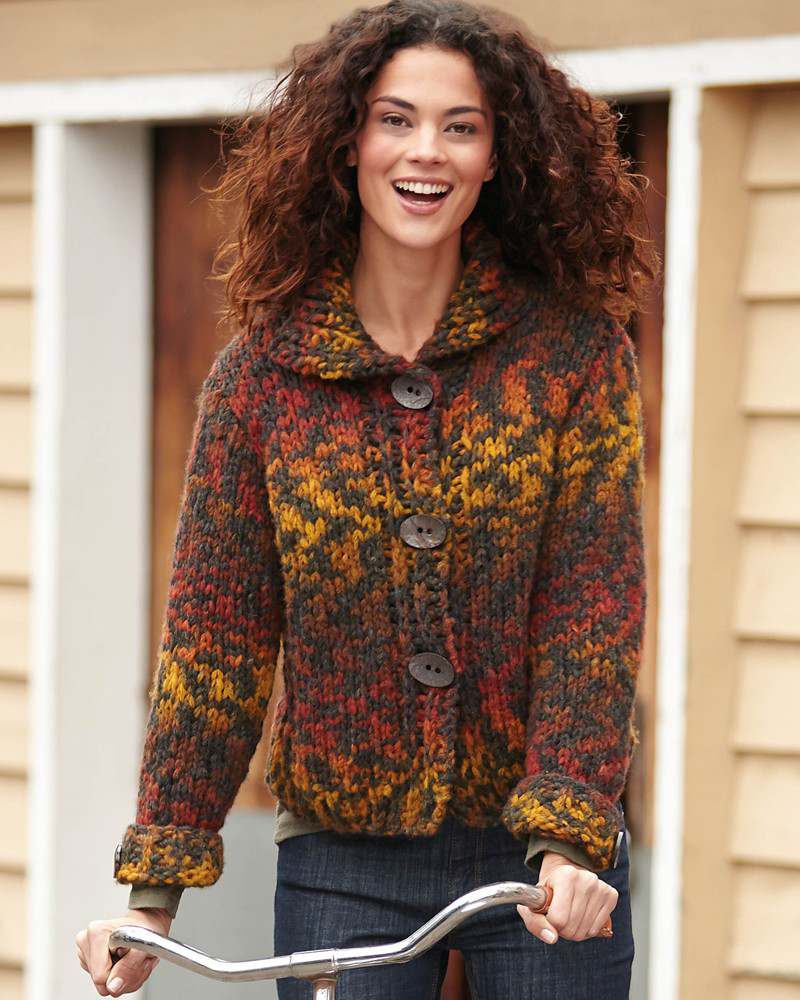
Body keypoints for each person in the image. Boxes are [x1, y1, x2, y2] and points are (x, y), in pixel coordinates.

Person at [75, 0, 659, 996]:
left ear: (495, 157)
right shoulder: (259, 378)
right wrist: (153, 894)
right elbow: (215, 646)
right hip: (340, 859)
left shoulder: (571, 354)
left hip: (543, 865)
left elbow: (591, 606)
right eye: (396, 119)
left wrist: (569, 834)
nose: (425, 151)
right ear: (348, 142)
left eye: (460, 126)